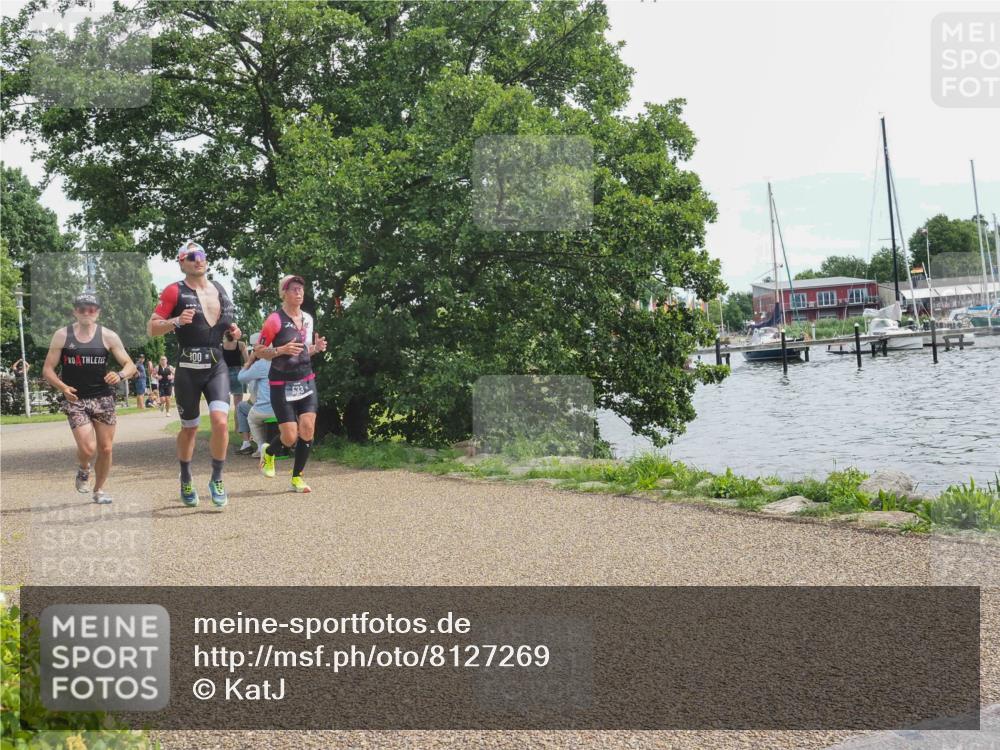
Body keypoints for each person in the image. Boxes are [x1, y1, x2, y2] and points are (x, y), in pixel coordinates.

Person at [147, 240, 241, 508]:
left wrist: (234, 332)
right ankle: (186, 478)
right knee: (190, 428)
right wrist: (176, 321)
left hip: (216, 366)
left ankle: (217, 478)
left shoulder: (220, 289)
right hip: (188, 369)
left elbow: (229, 324)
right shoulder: (174, 291)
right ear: (181, 262)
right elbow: (152, 328)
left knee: (221, 422)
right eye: (192, 256)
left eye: (202, 255)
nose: (198, 260)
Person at [41, 293, 137, 504]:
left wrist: (119, 375)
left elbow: (130, 365)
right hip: (75, 399)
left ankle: (99, 490)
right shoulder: (62, 335)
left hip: (103, 399)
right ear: (75, 311)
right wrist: (63, 387)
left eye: (91, 309)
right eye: (82, 308)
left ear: (98, 312)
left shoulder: (108, 336)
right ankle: (84, 468)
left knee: (106, 448)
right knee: (87, 448)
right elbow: (48, 370)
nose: (86, 312)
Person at [255, 275, 327, 493]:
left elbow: (303, 350)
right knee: (290, 436)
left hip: (306, 380)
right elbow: (259, 351)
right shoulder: (274, 320)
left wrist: (317, 348)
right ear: (283, 293)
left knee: (308, 429)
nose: (299, 293)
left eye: (301, 289)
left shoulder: (307, 318)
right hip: (281, 383)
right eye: (294, 289)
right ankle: (268, 453)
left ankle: (297, 477)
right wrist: (280, 350)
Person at [236, 333, 276, 458]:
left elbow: (241, 378)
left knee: (251, 416)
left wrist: (249, 362)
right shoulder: (279, 361)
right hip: (283, 408)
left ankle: (258, 446)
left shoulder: (260, 364)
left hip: (266, 408)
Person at [223, 330, 249, 450]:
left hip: (223, 374)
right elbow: (247, 360)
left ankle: (223, 429)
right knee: (238, 405)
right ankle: (237, 429)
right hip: (237, 373)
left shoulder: (221, 345)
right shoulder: (241, 345)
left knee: (224, 404)